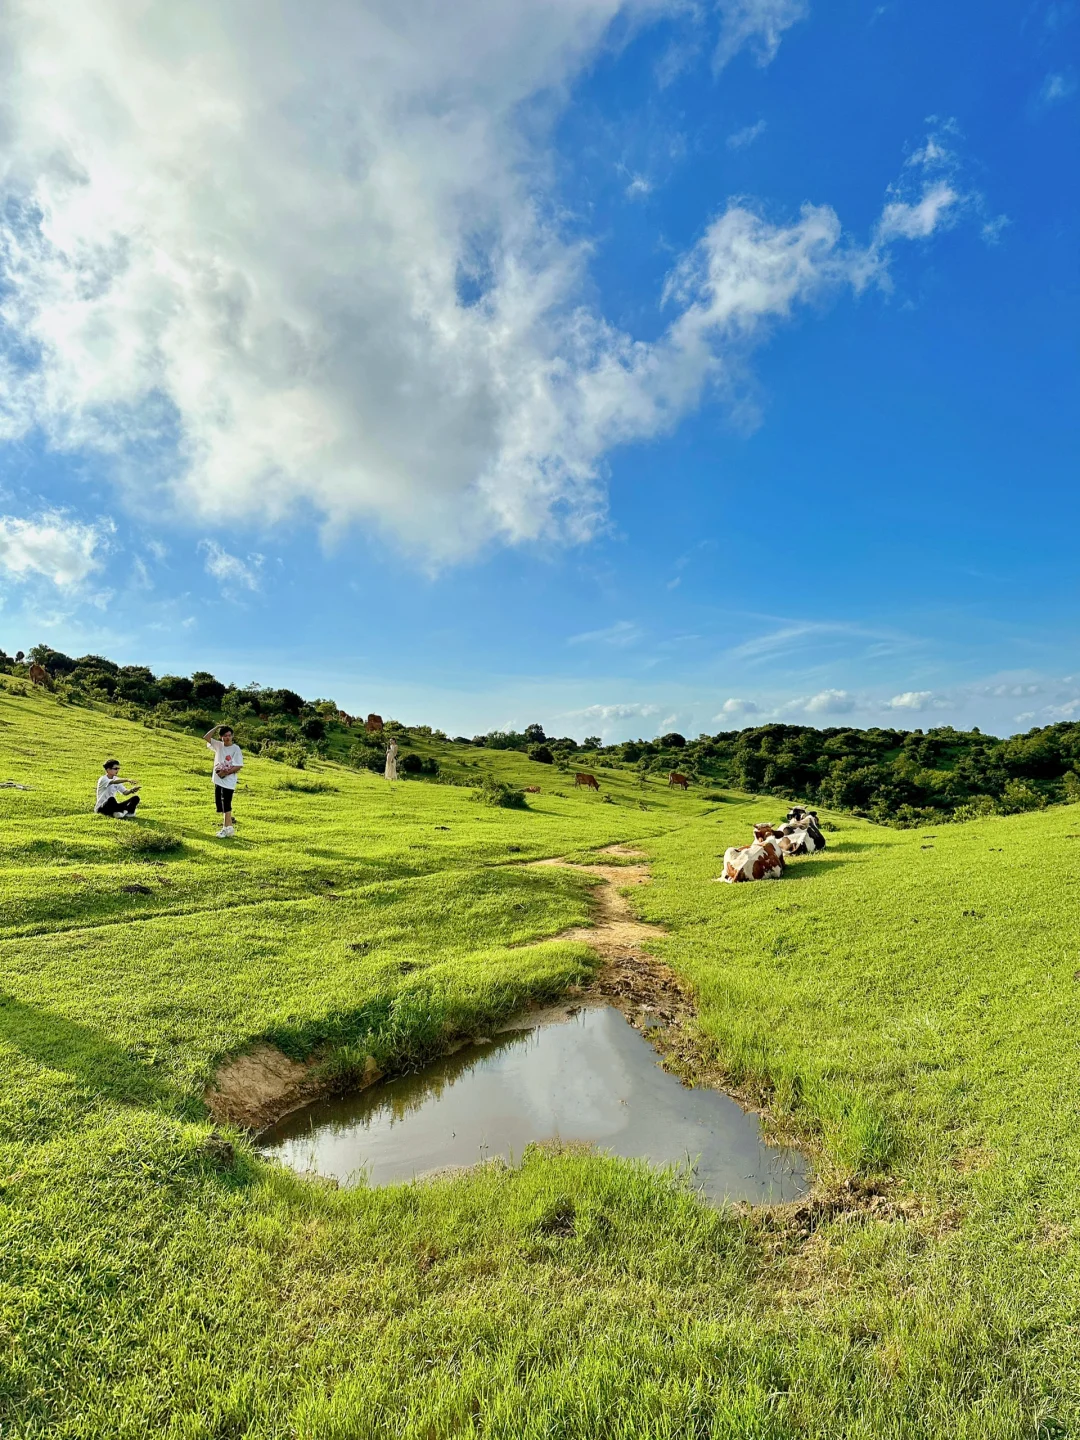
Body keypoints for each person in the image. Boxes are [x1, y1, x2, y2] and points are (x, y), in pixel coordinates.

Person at [204, 722, 243, 837]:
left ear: (232, 736)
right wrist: (216, 727)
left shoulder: (236, 748)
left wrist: (225, 772)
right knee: (221, 804)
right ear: (221, 737)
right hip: (217, 780)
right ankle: (228, 828)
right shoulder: (218, 745)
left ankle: (226, 829)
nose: (227, 738)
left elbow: (239, 765)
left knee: (226, 804)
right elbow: (206, 737)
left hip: (228, 781)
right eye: (224, 735)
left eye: (229, 735)